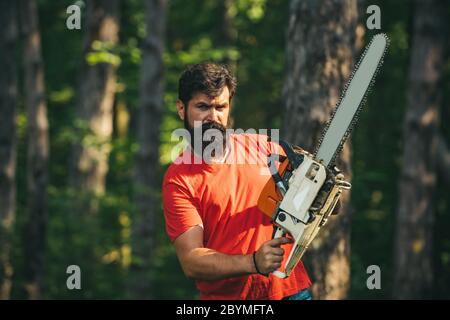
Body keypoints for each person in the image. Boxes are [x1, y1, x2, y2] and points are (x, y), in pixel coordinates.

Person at [162, 62, 312, 300]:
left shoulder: (266, 148)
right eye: (203, 107)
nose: (213, 116)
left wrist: (323, 193)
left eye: (220, 107)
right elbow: (191, 261)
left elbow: (317, 200)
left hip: (290, 291)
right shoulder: (179, 179)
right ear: (181, 109)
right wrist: (253, 262)